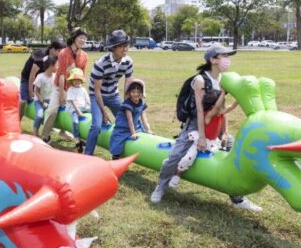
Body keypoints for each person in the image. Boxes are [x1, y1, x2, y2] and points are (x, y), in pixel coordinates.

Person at [150, 45, 261, 212]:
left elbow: (222, 109)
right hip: (195, 124)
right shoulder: (200, 80)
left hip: (216, 124)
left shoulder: (224, 80)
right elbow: (200, 112)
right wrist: (202, 137)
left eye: (227, 56)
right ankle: (160, 187)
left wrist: (225, 132)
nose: (227, 59)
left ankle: (237, 198)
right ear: (213, 60)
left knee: (231, 150)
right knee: (174, 157)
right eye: (223, 55)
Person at [168, 89, 238, 188]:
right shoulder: (208, 115)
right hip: (201, 141)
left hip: (212, 141)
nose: (224, 107)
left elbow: (232, 106)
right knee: (189, 157)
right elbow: (219, 107)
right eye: (222, 104)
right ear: (213, 106)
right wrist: (223, 92)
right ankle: (177, 174)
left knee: (223, 150)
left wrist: (239, 97)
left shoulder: (219, 112)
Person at [84, 30, 134, 156]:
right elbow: (96, 90)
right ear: (113, 48)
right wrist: (104, 113)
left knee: (127, 121)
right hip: (97, 95)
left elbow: (128, 84)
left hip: (113, 94)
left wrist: (126, 105)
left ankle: (118, 153)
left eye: (126, 45)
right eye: (122, 46)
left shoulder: (128, 62)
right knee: (96, 126)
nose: (125, 49)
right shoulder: (100, 64)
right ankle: (87, 155)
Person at [40, 27, 89, 143]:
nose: (83, 40)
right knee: (52, 111)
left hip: (74, 88)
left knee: (81, 109)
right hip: (59, 87)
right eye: (80, 38)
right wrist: (62, 93)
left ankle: (80, 137)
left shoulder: (84, 56)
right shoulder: (63, 53)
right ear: (74, 38)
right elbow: (61, 74)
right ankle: (45, 136)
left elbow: (81, 76)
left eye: (85, 38)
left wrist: (81, 93)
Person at [19, 38, 66, 120]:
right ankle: (18, 120)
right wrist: (31, 91)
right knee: (24, 101)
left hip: (43, 80)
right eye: (59, 51)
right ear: (52, 49)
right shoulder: (41, 55)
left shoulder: (57, 58)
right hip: (27, 78)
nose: (61, 54)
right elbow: (32, 75)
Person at [108, 79, 151, 159]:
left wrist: (148, 129)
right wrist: (133, 133)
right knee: (118, 140)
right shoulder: (127, 104)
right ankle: (115, 157)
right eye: (133, 92)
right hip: (123, 127)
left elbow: (144, 117)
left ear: (142, 93)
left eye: (138, 92)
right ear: (129, 93)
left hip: (135, 125)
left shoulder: (141, 103)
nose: (136, 94)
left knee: (144, 133)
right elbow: (129, 120)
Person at [65, 68, 90, 152]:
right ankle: (77, 140)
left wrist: (92, 108)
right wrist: (78, 111)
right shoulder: (70, 90)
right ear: (72, 81)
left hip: (84, 108)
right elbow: (72, 102)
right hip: (74, 109)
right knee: (75, 122)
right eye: (74, 80)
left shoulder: (83, 89)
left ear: (81, 80)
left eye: (78, 79)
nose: (76, 81)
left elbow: (88, 100)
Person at [32, 57, 56, 137]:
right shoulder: (40, 77)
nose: (57, 67)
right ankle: (35, 133)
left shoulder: (55, 76)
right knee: (39, 115)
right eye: (56, 65)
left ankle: (50, 130)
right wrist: (43, 102)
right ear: (50, 66)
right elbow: (37, 92)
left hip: (50, 100)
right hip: (39, 100)